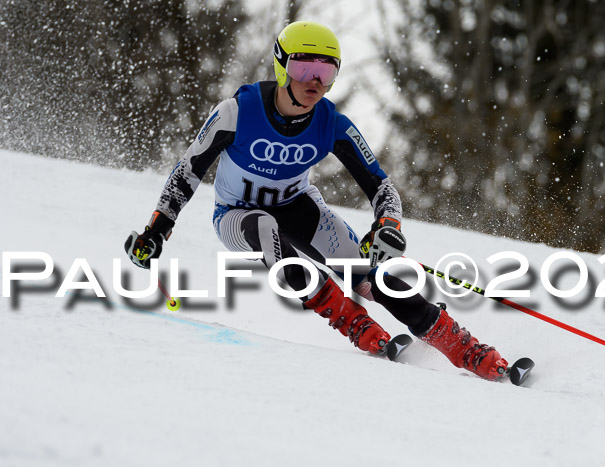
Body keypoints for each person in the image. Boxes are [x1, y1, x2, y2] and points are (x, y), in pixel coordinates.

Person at [124, 21, 508, 380]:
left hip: (299, 207)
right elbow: (187, 171)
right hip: (237, 216)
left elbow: (382, 186)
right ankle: (345, 317)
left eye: (326, 72)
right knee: (265, 226)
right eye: (303, 68)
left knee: (371, 279)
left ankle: (459, 345)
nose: (314, 82)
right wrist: (158, 229)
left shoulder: (331, 124)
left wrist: (387, 226)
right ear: (280, 67)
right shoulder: (237, 112)